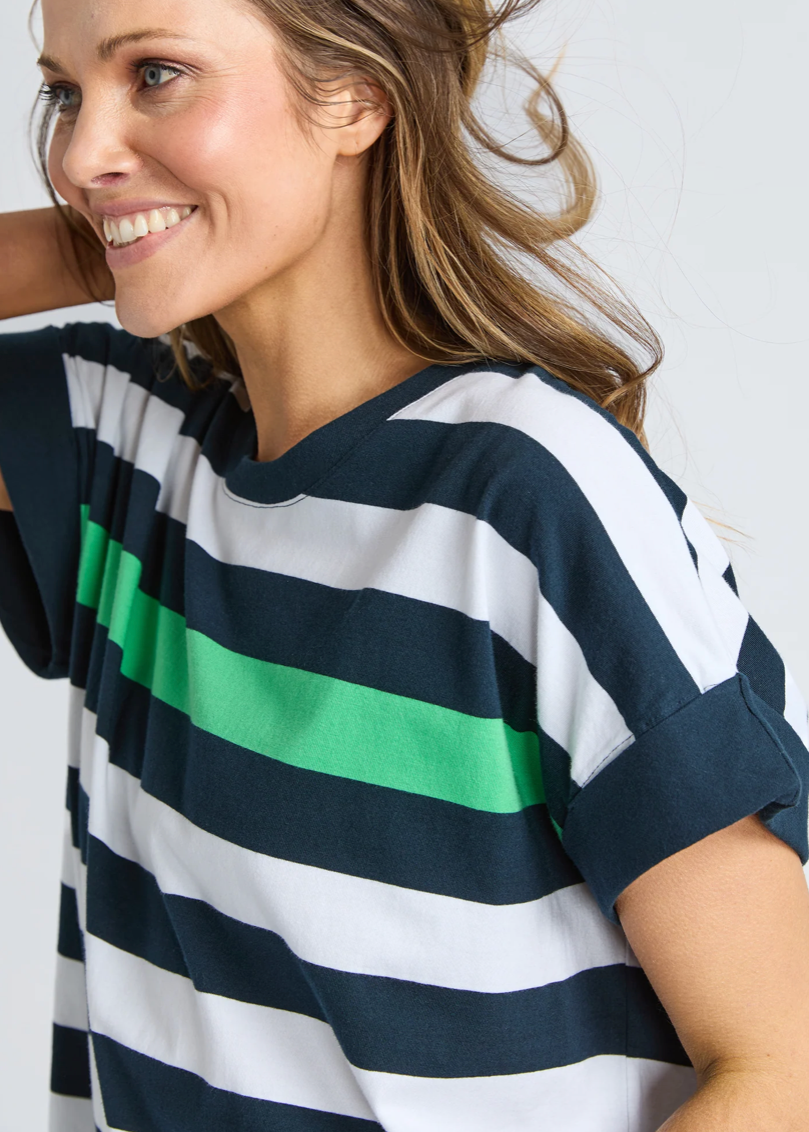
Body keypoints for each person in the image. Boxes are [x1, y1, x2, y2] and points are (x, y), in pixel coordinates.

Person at [1, 0, 808, 1128]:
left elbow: (779, 1069)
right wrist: (134, 221)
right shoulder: (124, 445)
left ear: (354, 94)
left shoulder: (524, 497)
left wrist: (163, 210)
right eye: (65, 92)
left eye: (157, 74)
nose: (79, 152)